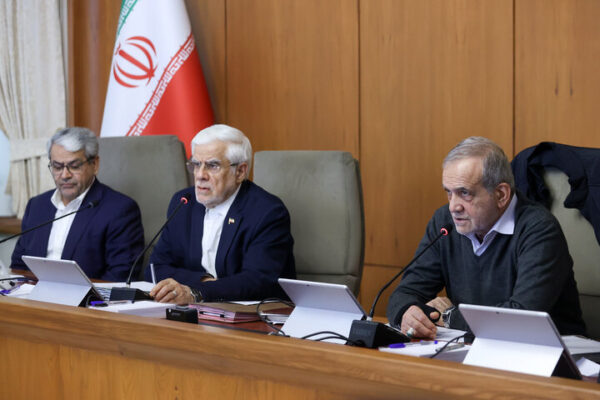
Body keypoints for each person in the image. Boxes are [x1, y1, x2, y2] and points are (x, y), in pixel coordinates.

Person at [386, 136, 586, 339]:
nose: (453, 206)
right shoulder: (445, 222)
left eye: (465, 193)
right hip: (474, 346)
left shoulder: (539, 229)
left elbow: (520, 319)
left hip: (551, 351)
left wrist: (449, 316)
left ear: (501, 195)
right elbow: (405, 294)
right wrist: (407, 313)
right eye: (449, 193)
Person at [148, 124, 296, 303]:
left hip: (251, 313)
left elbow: (257, 281)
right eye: (196, 164)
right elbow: (156, 268)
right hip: (190, 310)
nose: (200, 175)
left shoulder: (267, 212)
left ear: (240, 172)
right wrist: (203, 281)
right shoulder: (184, 203)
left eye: (212, 166)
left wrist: (196, 292)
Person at [11, 127, 145, 281]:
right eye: (57, 167)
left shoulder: (120, 209)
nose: (65, 175)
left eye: (74, 166)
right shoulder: (36, 206)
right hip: (33, 294)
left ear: (94, 164)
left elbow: (120, 276)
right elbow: (18, 266)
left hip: (87, 296)